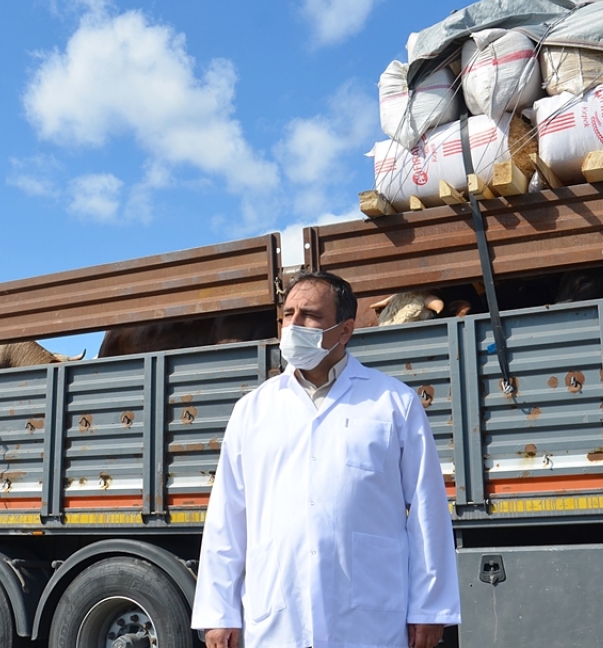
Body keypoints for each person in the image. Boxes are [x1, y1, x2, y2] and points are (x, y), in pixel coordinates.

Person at [191, 270, 461, 648]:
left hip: (370, 617)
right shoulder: (253, 410)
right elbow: (227, 517)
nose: (293, 325)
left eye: (310, 316)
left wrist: (430, 609)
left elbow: (427, 509)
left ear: (345, 330)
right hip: (277, 615)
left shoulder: (393, 403)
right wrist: (219, 613)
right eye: (288, 314)